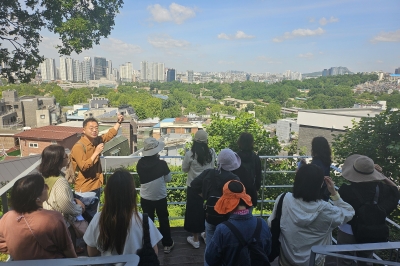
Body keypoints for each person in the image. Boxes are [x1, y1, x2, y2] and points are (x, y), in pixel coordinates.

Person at [268, 164, 354, 266]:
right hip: (314, 262)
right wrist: (334, 193)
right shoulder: (327, 210)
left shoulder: (283, 199)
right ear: (320, 184)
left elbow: (270, 223)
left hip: (286, 260)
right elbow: (349, 212)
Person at [84, 169, 162, 258]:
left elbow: (91, 252)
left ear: (108, 194)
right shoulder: (143, 220)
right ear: (132, 194)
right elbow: (154, 252)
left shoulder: (98, 219)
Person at [337, 154, 399, 266]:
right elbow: (395, 190)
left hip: (348, 231)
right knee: (366, 260)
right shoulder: (382, 190)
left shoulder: (345, 191)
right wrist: (381, 176)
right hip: (370, 231)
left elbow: (338, 208)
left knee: (344, 260)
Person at [0, 174, 77, 260]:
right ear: (37, 198)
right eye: (44, 186)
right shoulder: (53, 218)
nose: (47, 187)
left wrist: (18, 250)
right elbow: (67, 248)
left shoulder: (7, 217)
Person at [191, 148, 241, 265]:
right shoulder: (235, 179)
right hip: (227, 220)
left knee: (210, 246)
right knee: (226, 248)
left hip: (210, 216)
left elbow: (194, 184)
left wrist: (203, 195)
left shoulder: (208, 173)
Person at [205, 180, 272, 266]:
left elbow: (211, 259)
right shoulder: (262, 224)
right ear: (244, 198)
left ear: (226, 201)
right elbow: (268, 252)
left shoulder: (222, 230)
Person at [71, 114, 123, 221]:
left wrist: (119, 122)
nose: (94, 130)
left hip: (96, 185)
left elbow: (109, 135)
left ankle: (93, 236)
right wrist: (96, 152)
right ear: (84, 130)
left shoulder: (96, 141)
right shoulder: (79, 146)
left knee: (93, 217)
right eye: (91, 128)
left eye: (96, 128)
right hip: (84, 189)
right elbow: (84, 167)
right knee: (85, 219)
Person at [39, 145, 85, 253]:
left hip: (47, 222)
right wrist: (81, 209)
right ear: (58, 161)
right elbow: (66, 207)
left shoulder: (43, 178)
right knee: (67, 254)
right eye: (65, 156)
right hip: (62, 226)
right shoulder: (60, 182)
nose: (67, 157)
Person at [137, 137, 174, 254]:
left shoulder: (140, 164)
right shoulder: (162, 164)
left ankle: (149, 245)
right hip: (160, 196)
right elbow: (169, 179)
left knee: (148, 221)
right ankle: (167, 244)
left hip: (146, 196)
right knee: (163, 219)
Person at [182, 130, 216, 249]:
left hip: (193, 187)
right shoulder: (211, 153)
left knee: (193, 212)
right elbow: (212, 167)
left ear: (195, 141)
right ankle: (206, 235)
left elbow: (184, 169)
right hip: (208, 187)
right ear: (206, 141)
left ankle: (195, 239)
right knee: (208, 210)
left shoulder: (190, 154)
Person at [236, 132, 262, 207]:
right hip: (251, 190)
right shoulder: (255, 158)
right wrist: (256, 189)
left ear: (240, 142)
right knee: (249, 212)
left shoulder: (236, 157)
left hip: (237, 190)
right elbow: (258, 176)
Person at [310, 136, 332, 201]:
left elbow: (312, 179)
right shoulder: (325, 160)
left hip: (316, 195)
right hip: (325, 192)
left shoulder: (317, 162)